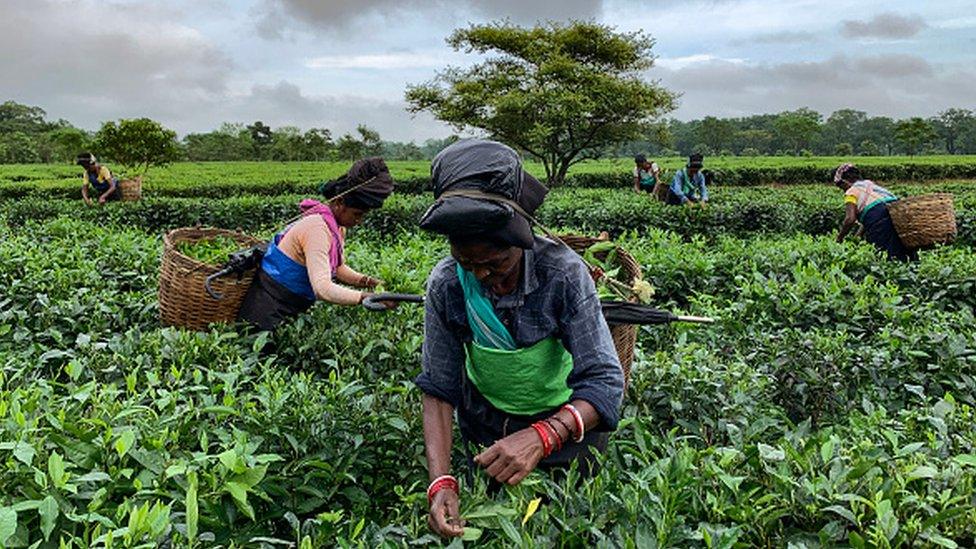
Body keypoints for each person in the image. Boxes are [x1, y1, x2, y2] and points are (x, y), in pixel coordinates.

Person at [415, 139, 625, 539]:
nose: (480, 276)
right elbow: (439, 388)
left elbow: (605, 382)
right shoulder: (446, 284)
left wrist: (545, 434)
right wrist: (441, 482)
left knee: (567, 528)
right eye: (467, 263)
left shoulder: (562, 274)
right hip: (489, 435)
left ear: (521, 240)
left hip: (570, 433)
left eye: (495, 263)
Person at [237, 158, 396, 330]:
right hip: (267, 309)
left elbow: (338, 268)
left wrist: (371, 282)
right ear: (339, 202)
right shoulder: (316, 228)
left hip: (294, 304)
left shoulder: (336, 227)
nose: (359, 221)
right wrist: (365, 297)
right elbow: (323, 288)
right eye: (357, 214)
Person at [833, 163, 917, 261]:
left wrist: (839, 238)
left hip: (880, 221)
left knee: (886, 257)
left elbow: (850, 219)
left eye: (841, 187)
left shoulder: (851, 192)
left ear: (844, 182)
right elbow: (870, 212)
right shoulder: (872, 186)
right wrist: (858, 236)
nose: (843, 190)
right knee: (906, 251)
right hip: (899, 214)